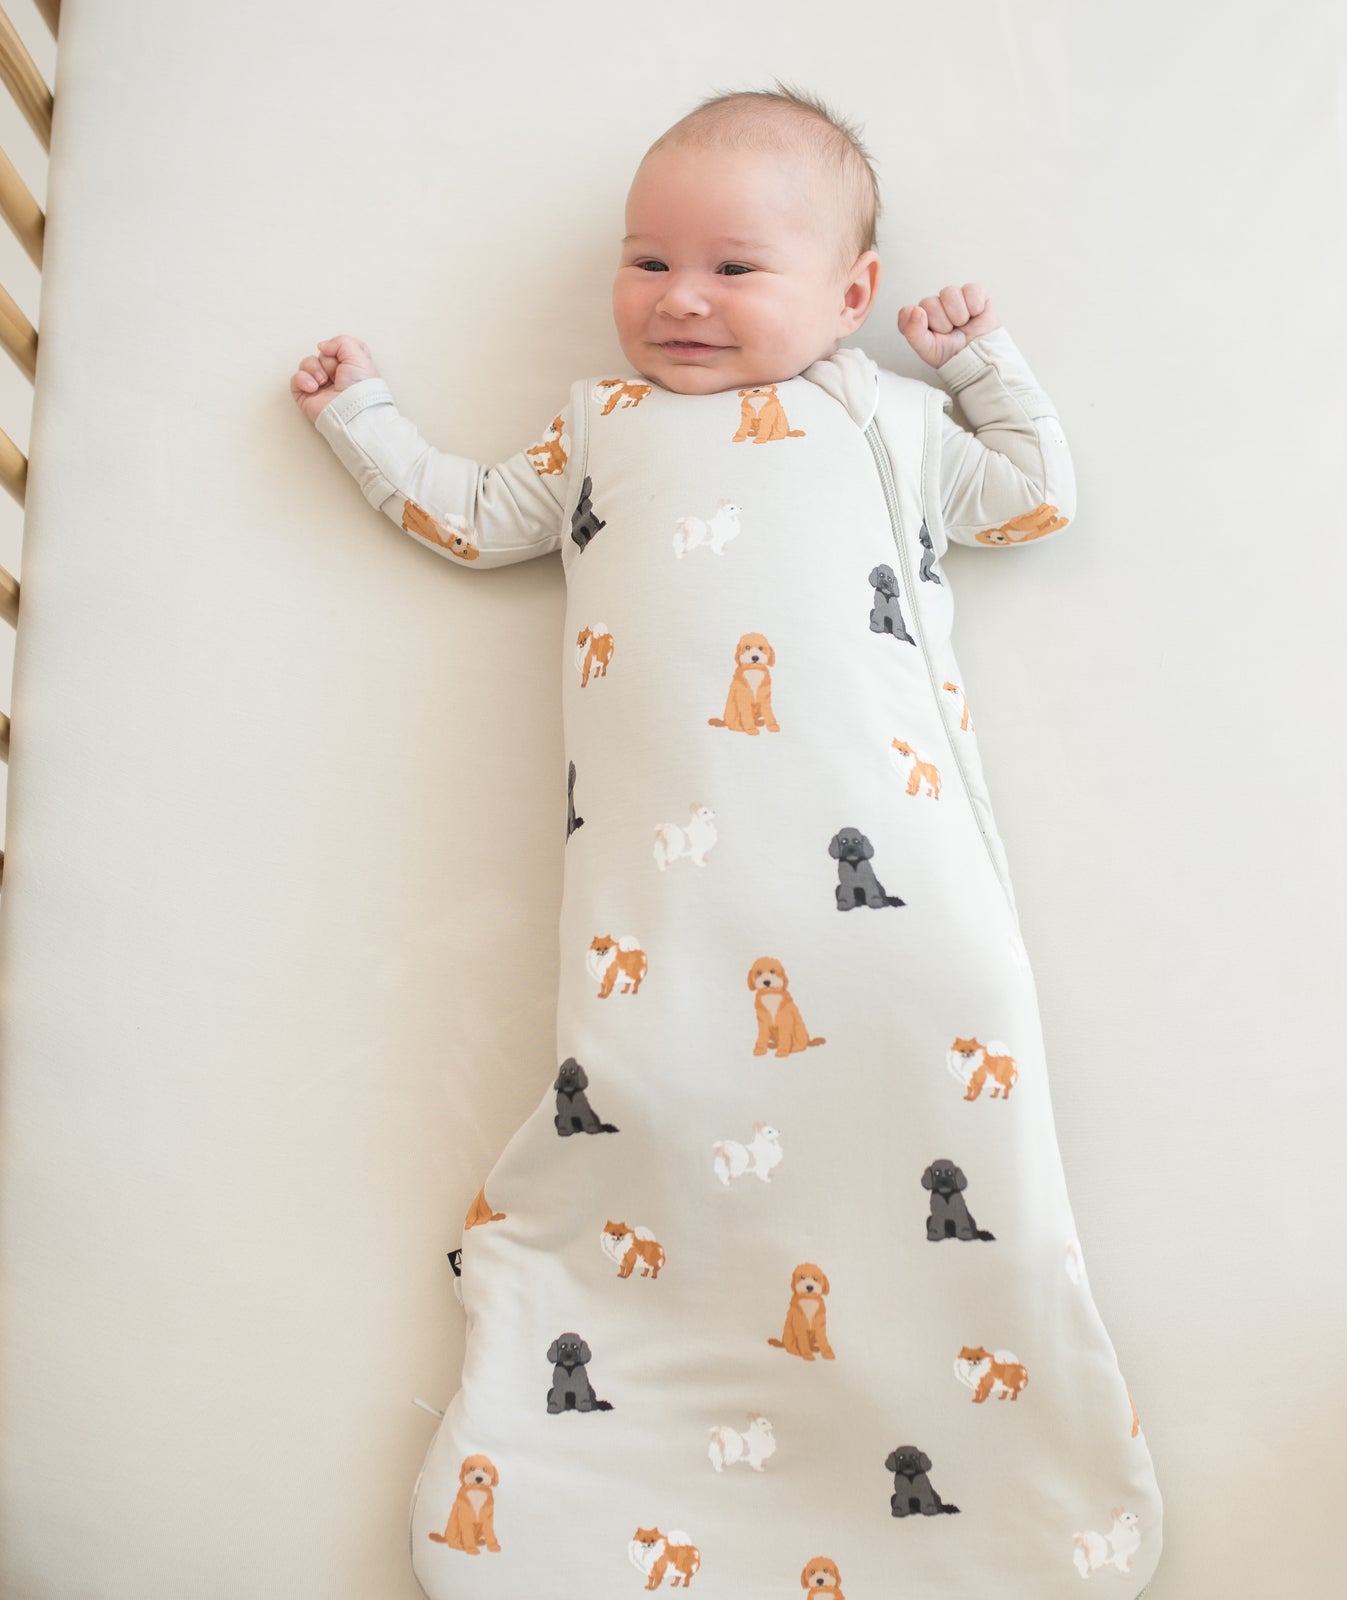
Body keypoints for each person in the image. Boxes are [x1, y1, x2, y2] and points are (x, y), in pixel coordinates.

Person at [292, 78, 1161, 1600]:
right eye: (648, 262)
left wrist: (979, 367)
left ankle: (979, 1428)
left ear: (853, 295)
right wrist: (361, 418)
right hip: (671, 915)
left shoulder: (889, 421)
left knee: (938, 1109)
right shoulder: (595, 427)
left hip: (906, 905)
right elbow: (468, 516)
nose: (680, 301)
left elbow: (1034, 501)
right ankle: (641, 1433)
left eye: (737, 270)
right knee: (656, 1100)